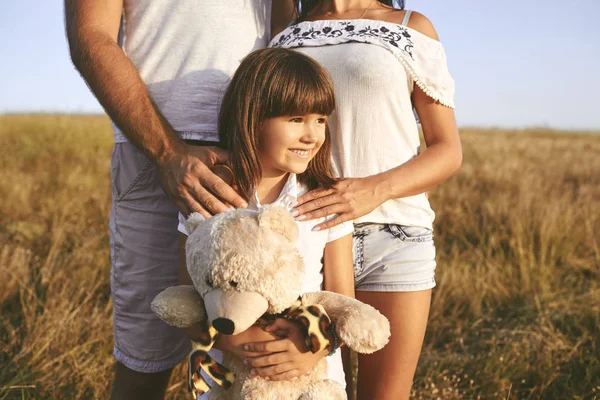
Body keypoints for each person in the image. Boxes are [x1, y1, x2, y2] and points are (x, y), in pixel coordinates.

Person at [64, 1, 296, 399]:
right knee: (145, 360)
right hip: (154, 150)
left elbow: (283, 31)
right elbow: (92, 34)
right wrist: (167, 153)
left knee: (267, 355)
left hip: (260, 151)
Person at [270, 1, 463, 399]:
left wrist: (374, 190)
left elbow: (447, 150)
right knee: (309, 385)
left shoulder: (411, 26)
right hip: (305, 238)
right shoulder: (286, 35)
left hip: (394, 238)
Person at [177, 48, 356, 397]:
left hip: (314, 379)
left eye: (320, 119)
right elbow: (187, 298)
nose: (312, 135)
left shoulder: (324, 199)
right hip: (231, 381)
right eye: (295, 119)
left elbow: (342, 298)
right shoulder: (210, 195)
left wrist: (313, 347)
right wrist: (243, 342)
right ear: (253, 116)